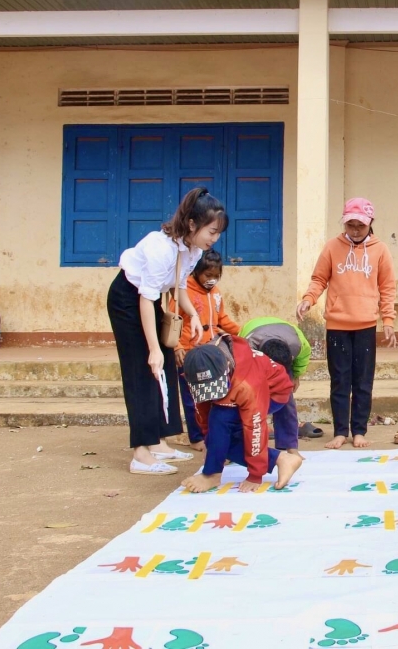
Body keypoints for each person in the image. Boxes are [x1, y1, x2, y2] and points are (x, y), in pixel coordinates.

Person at [106, 188, 226, 476]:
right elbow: (145, 299)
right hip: (128, 300)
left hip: (151, 301)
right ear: (193, 224)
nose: (215, 238)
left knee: (166, 371)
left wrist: (194, 315)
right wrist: (154, 349)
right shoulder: (161, 248)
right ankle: (141, 453)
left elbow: (179, 286)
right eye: (212, 231)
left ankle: (159, 441)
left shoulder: (194, 250)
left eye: (219, 232)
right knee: (143, 370)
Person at [297, 198, 397, 450]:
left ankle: (359, 431)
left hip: (365, 325)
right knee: (340, 380)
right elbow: (319, 278)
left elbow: (387, 287)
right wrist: (309, 299)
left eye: (360, 226)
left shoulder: (380, 250)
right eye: (350, 225)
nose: (354, 230)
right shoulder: (332, 247)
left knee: (363, 381)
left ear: (370, 224)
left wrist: (388, 320)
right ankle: (340, 431)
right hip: (337, 326)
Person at [180, 334, 303, 493]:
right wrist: (209, 441)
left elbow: (255, 428)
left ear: (226, 369)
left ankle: (212, 474)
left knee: (220, 417)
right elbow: (202, 406)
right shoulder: (200, 365)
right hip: (240, 387)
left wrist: (255, 474)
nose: (212, 394)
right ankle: (282, 459)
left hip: (272, 392)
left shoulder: (246, 384)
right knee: (217, 435)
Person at [172, 249, 241, 452]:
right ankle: (196, 437)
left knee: (216, 394)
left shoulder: (216, 293)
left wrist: (244, 332)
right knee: (192, 396)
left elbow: (223, 320)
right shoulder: (184, 292)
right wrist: (177, 346)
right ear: (196, 271)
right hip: (189, 353)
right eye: (208, 275)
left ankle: (212, 433)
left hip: (213, 351)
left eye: (216, 276)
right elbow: (172, 320)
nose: (212, 280)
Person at [239, 316, 322, 441]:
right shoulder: (247, 349)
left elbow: (303, 358)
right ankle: (252, 437)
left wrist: (295, 375)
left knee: (286, 399)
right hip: (255, 339)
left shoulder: (298, 345)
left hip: (282, 338)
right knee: (251, 397)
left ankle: (289, 445)